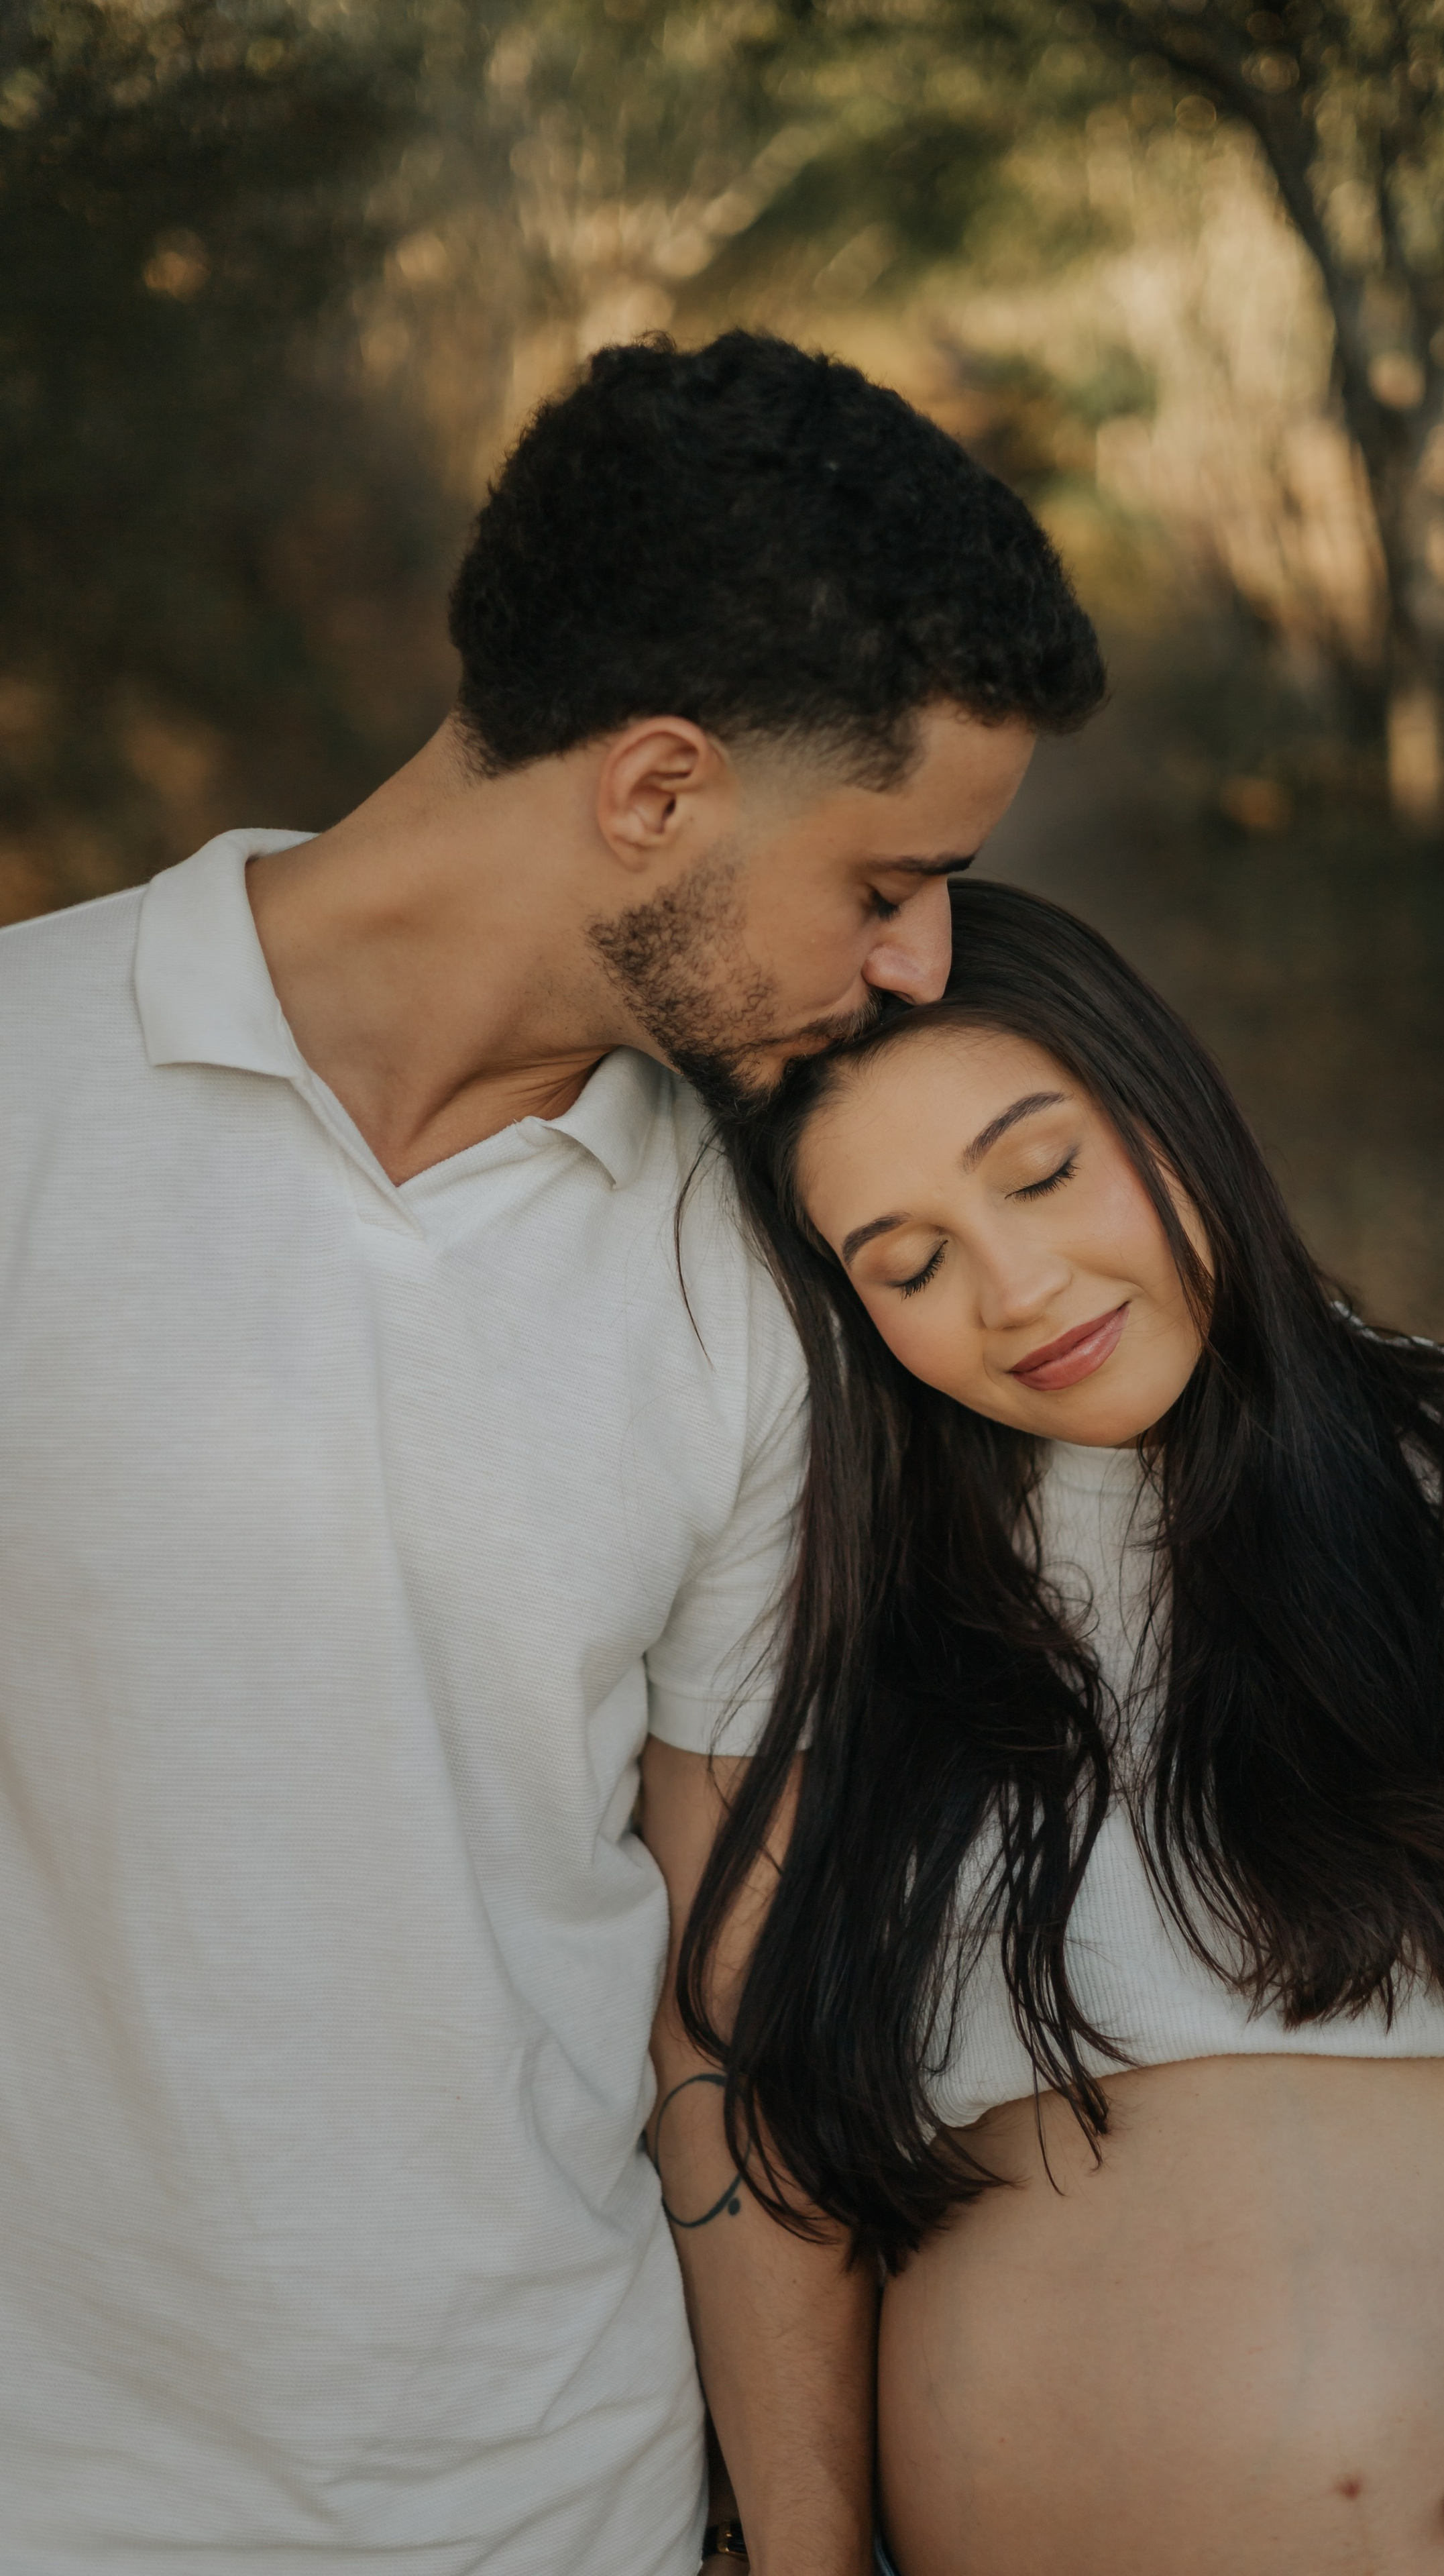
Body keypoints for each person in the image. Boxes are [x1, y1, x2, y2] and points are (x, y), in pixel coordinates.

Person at [0, 336, 1104, 2573]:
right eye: (887, 878)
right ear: (658, 791)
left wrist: (796, 2554)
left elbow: (734, 2015)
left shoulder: (777, 1285)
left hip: (549, 2508)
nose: (923, 964)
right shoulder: (21, 1093)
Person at [682, 880, 1444, 2576]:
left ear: (1166, 1103)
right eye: (910, 1264)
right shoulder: (825, 1623)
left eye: (1040, 1169)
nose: (1016, 1287)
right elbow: (733, 2097)